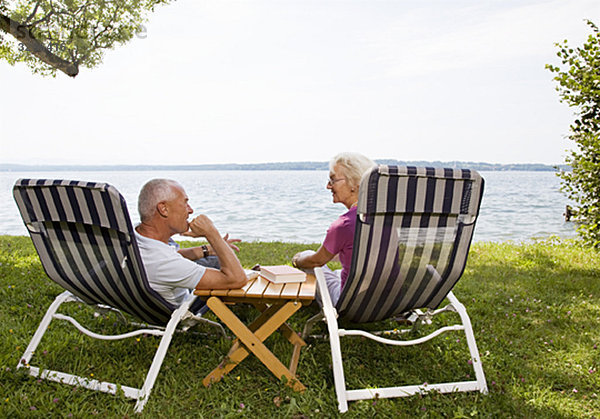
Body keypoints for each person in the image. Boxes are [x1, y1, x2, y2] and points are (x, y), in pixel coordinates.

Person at [135, 179, 247, 309]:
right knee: (232, 271)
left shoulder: (134, 236)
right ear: (163, 209)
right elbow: (237, 279)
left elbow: (169, 256)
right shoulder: (165, 263)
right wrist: (212, 234)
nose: (191, 210)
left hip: (153, 294)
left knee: (214, 259)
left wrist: (207, 249)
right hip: (186, 305)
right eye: (185, 203)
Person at [292, 152, 376, 305]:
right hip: (385, 300)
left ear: (354, 184)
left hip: (350, 303)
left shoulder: (344, 225)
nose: (328, 186)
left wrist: (298, 260)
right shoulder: (386, 218)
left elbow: (315, 261)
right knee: (338, 272)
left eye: (333, 180)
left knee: (308, 255)